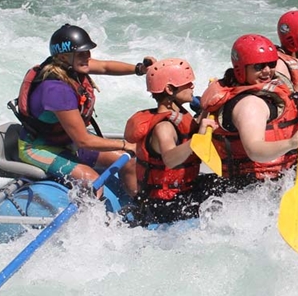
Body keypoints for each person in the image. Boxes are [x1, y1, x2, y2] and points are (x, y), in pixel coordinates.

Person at [12, 23, 152, 189]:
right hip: (39, 147)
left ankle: (138, 208)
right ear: (64, 57)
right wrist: (125, 144)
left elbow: (105, 67)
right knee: (93, 182)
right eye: (81, 53)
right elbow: (83, 140)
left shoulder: (72, 65)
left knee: (129, 162)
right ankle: (93, 214)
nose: (87, 56)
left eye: (88, 51)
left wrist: (141, 69)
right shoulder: (56, 90)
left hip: (66, 140)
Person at [199, 34, 298, 187]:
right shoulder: (249, 105)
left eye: (271, 64)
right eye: (258, 67)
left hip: (276, 174)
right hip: (256, 184)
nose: (267, 71)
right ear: (241, 69)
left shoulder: (262, 90)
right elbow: (254, 151)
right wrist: (291, 143)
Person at [122, 58, 215, 225]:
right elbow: (170, 159)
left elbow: (193, 127)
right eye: (188, 83)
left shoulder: (179, 116)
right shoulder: (164, 127)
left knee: (230, 184)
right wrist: (197, 139)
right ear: (170, 89)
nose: (192, 86)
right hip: (164, 205)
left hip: (185, 190)